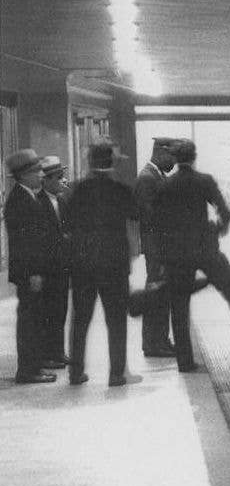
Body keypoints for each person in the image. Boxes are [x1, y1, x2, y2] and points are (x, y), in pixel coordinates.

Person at [151, 139, 230, 372]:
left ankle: (184, 361)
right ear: (194, 157)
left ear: (175, 159)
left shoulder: (165, 185)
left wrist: (163, 255)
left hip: (177, 254)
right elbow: (225, 212)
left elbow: (158, 224)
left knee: (179, 305)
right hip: (205, 250)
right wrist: (217, 230)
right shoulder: (204, 181)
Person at [62, 142, 140, 386]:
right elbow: (136, 214)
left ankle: (76, 372)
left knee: (80, 320)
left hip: (83, 264)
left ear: (89, 161)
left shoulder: (76, 190)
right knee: (116, 321)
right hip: (114, 265)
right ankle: (116, 374)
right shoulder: (121, 190)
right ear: (112, 162)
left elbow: (66, 221)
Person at [3, 149, 59, 383]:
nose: (41, 175)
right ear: (24, 175)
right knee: (30, 321)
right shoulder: (19, 201)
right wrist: (34, 272)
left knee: (35, 319)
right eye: (36, 171)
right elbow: (24, 244)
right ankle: (28, 370)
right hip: (29, 272)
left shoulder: (27, 196)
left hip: (33, 271)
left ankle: (34, 366)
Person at [134, 137, 178, 358]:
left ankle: (160, 340)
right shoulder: (147, 178)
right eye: (172, 157)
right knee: (156, 295)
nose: (174, 162)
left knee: (161, 294)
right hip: (156, 247)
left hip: (161, 247)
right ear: (160, 153)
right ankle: (153, 344)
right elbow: (151, 218)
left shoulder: (156, 176)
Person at [36, 155, 72, 368]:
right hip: (48, 267)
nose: (62, 181)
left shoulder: (62, 201)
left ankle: (58, 351)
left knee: (60, 310)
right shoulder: (38, 202)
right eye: (58, 177)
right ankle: (47, 354)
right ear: (46, 180)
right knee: (47, 312)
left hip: (62, 266)